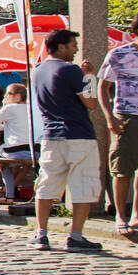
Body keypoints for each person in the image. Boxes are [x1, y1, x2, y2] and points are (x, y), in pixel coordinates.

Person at [28, 29, 101, 252]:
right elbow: (91, 103)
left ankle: (41, 234)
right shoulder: (70, 70)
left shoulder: (37, 71)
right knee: (83, 185)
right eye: (72, 45)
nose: (76, 49)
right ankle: (76, 236)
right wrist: (90, 77)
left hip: (51, 135)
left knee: (47, 184)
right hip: (78, 135)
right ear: (61, 46)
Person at [99, 10, 138, 235]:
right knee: (122, 169)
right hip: (127, 116)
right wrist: (109, 118)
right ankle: (120, 214)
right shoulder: (119, 54)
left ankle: (137, 214)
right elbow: (103, 87)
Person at [0, 83, 35, 202]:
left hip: (15, 150)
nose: (6, 97)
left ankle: (9, 195)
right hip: (35, 150)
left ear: (18, 96)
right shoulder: (33, 107)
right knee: (20, 161)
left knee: (1, 160)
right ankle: (11, 192)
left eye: (9, 94)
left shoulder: (9, 108)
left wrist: (6, 126)